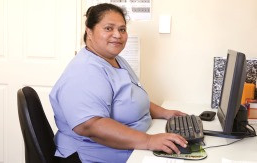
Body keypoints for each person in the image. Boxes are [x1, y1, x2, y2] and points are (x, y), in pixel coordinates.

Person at [49, 3, 188, 163]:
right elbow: (91, 126)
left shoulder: (114, 60)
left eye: (122, 29)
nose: (118, 35)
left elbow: (130, 99)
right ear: (89, 31)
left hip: (130, 148)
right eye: (109, 28)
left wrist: (164, 112)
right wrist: (149, 141)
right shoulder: (85, 70)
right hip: (91, 157)